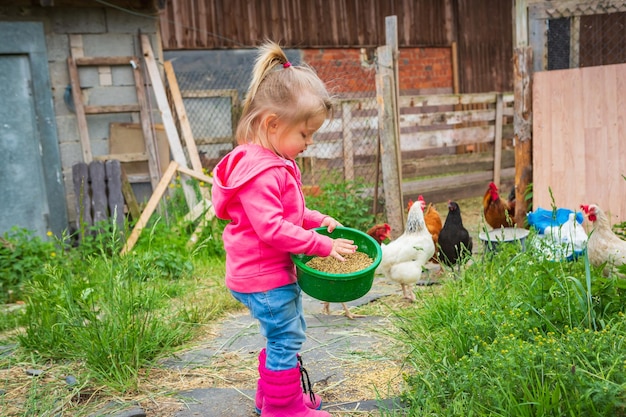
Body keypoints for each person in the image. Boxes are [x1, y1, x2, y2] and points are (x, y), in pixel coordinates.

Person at [211, 40, 356, 416]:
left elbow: (288, 211)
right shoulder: (262, 172)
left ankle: (274, 396)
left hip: (264, 273)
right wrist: (320, 244)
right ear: (273, 124)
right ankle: (283, 409)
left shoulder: (269, 158)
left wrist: (318, 219)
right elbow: (273, 229)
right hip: (263, 277)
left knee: (281, 336)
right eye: (304, 135)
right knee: (286, 338)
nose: (308, 144)